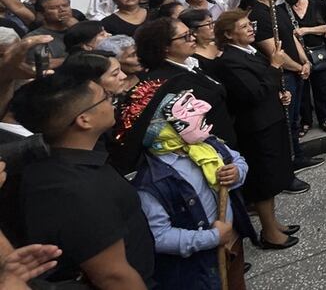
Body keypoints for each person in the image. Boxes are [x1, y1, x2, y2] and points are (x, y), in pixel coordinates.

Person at [12, 74, 155, 287]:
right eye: (105, 98)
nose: (112, 99)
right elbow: (113, 276)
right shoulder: (76, 190)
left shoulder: (60, 164)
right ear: (84, 119)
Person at [130, 89, 253, 289]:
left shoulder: (207, 145)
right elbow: (159, 236)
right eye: (187, 110)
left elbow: (237, 159)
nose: (204, 109)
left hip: (231, 243)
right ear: (164, 129)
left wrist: (237, 172)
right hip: (198, 266)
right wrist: (212, 238)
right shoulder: (152, 183)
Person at [214, 11, 300, 249]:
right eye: (243, 26)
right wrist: (274, 66)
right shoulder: (230, 61)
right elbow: (252, 94)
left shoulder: (249, 53)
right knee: (263, 181)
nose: (251, 28)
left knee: (273, 178)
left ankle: (273, 223)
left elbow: (265, 84)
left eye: (250, 24)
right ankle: (270, 233)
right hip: (256, 128)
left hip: (270, 120)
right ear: (229, 34)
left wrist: (280, 93)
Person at [110, 18, 236, 174]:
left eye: (191, 33)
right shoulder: (163, 83)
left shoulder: (190, 65)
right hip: (205, 161)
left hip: (225, 150)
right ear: (164, 47)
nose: (193, 38)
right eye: (185, 36)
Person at [245, 0, 323, 177]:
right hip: (283, 74)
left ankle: (298, 155)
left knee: (294, 118)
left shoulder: (279, 9)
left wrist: (305, 61)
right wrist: (297, 68)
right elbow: (273, 51)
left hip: (296, 70)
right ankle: (288, 162)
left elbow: (291, 37)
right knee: (286, 121)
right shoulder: (259, 15)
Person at [281, 0, 326, 135]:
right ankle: (306, 121)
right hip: (297, 54)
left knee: (322, 86)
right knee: (302, 90)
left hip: (316, 51)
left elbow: (324, 27)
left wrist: (305, 30)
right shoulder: (282, 10)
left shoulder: (312, 5)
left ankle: (324, 118)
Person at [25, 0, 76, 64]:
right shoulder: (36, 37)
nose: (62, 10)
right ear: (42, 14)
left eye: (65, 5)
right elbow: (44, 64)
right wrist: (78, 59)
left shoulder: (81, 27)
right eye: (53, 8)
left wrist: (77, 29)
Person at [179, 9, 220, 77]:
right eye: (209, 24)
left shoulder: (219, 43)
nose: (213, 27)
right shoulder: (193, 58)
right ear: (194, 31)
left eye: (213, 23)